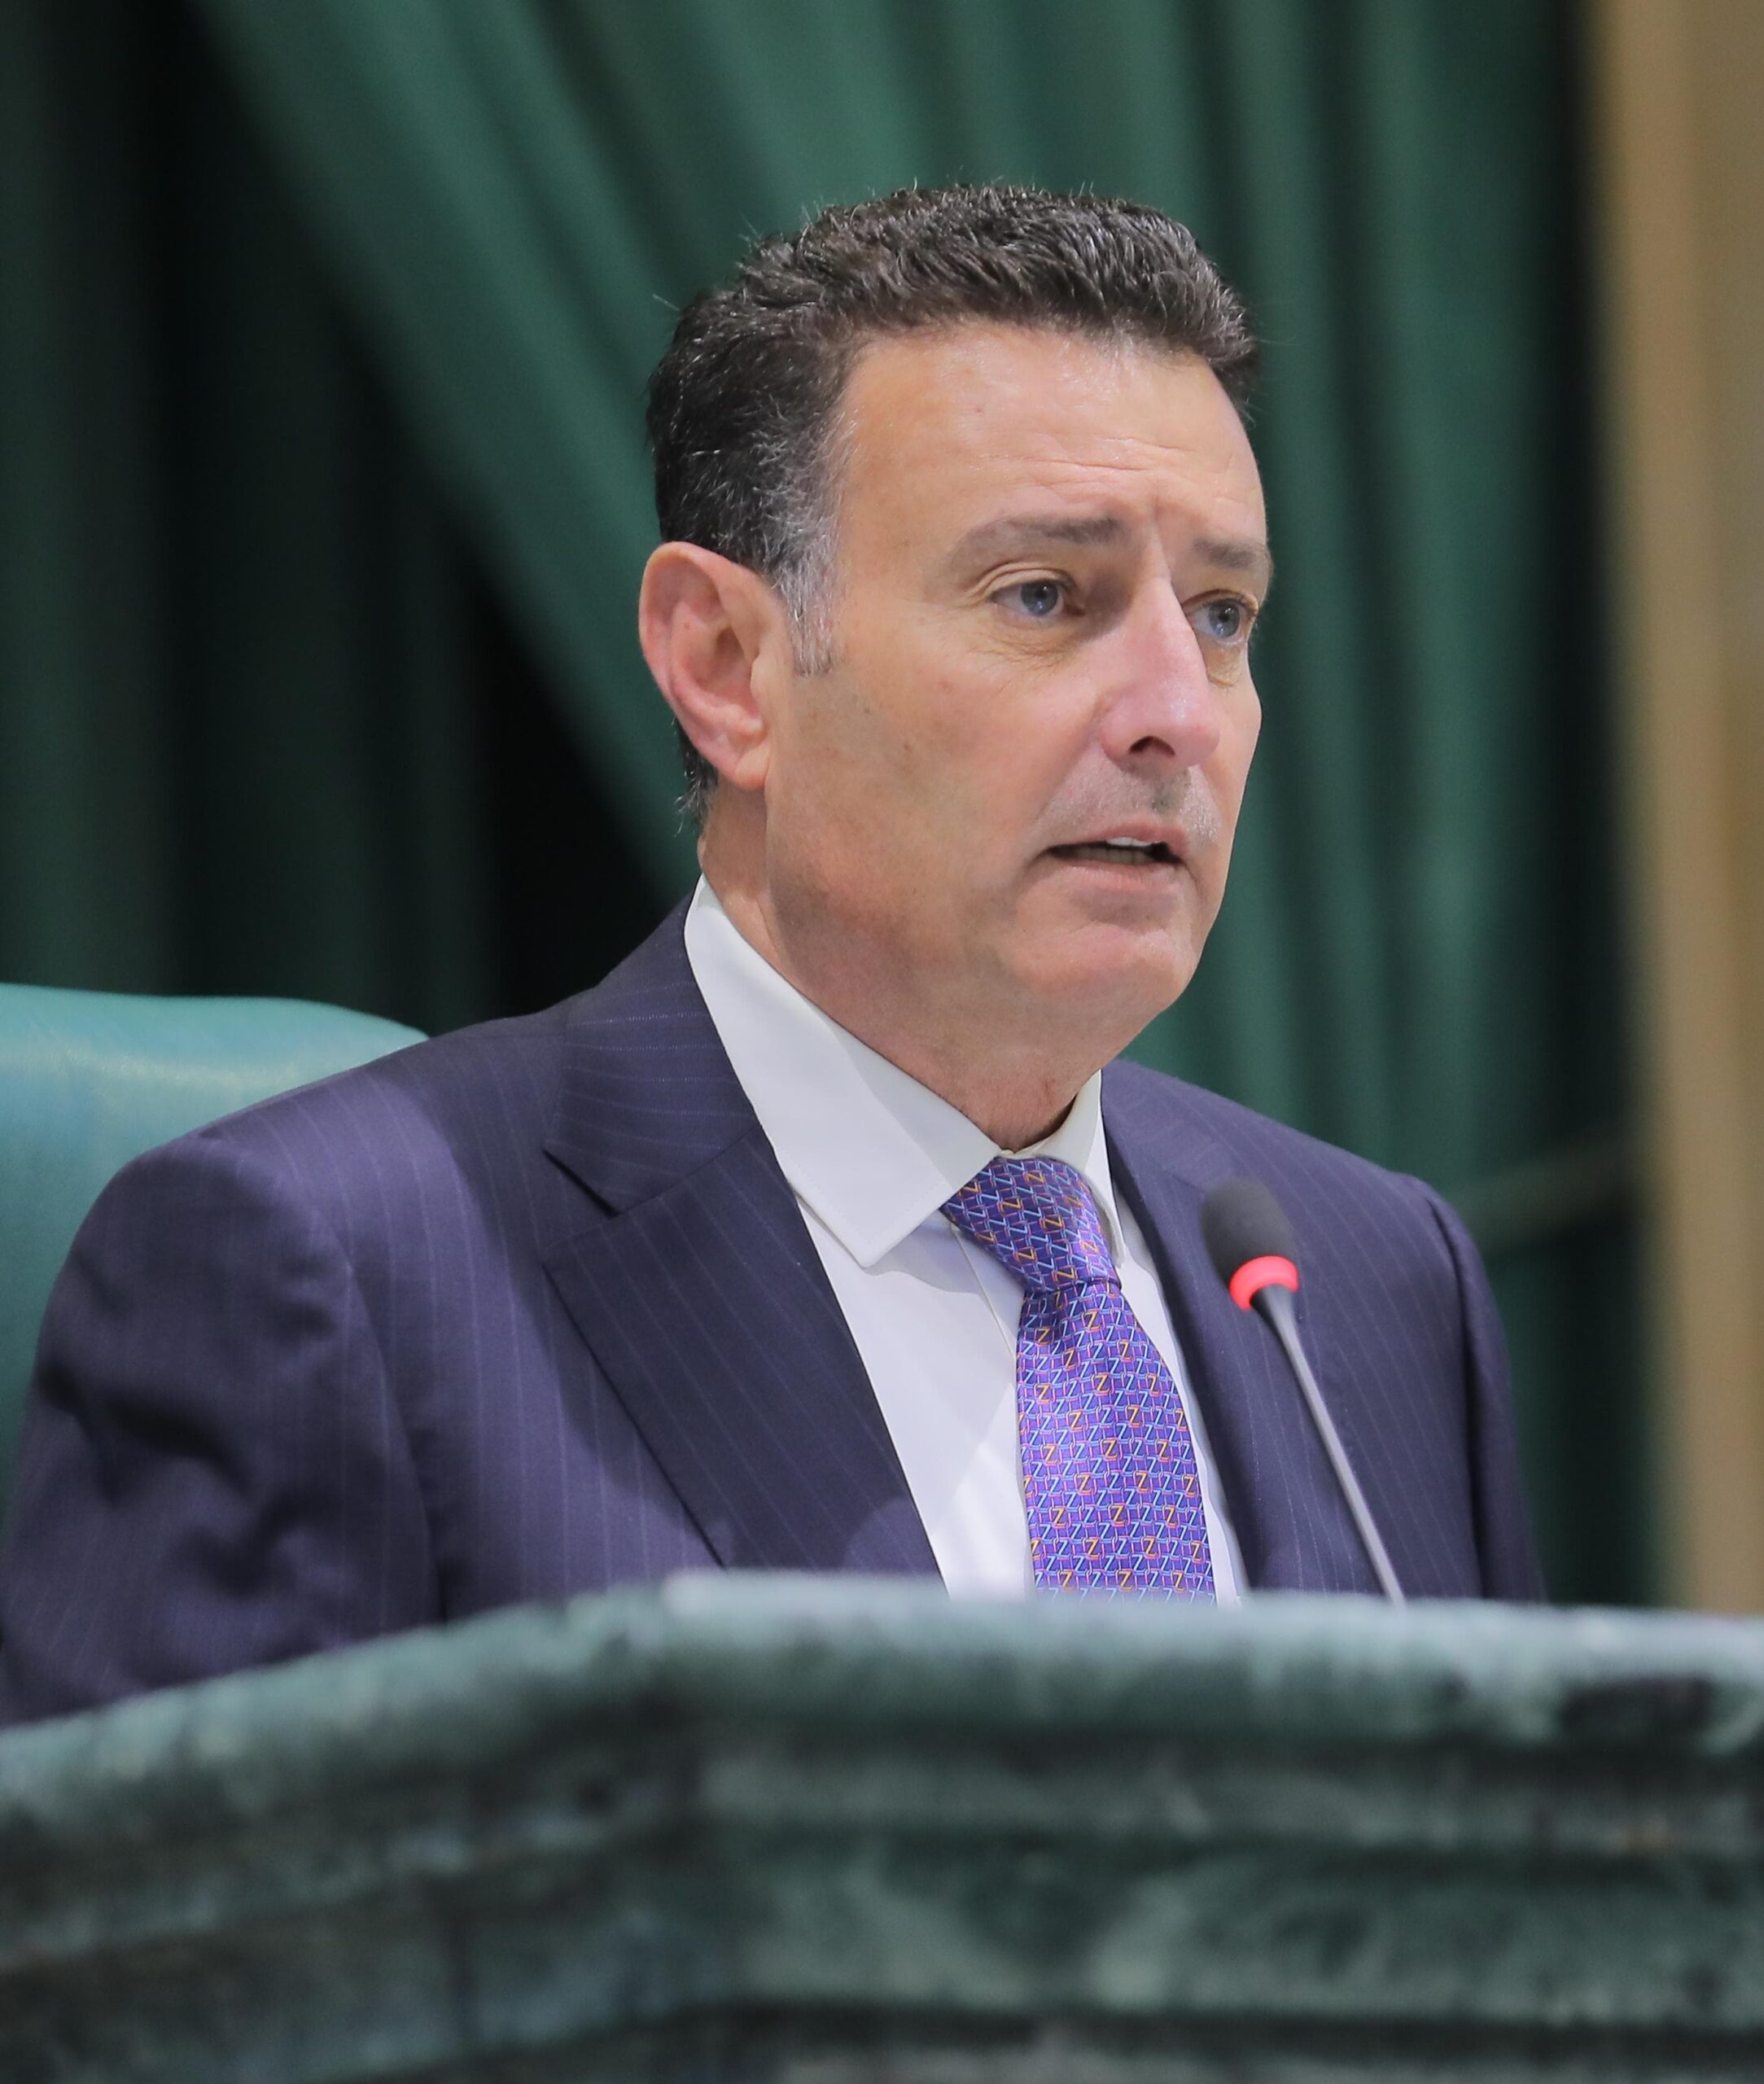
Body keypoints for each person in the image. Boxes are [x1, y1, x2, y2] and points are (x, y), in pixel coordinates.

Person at [0, 186, 1541, 1727]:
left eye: (1221, 614)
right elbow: (165, 1891)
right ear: (727, 667)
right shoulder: (332, 1273)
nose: (1178, 714)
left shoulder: (1368, 1281)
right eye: (1043, 596)